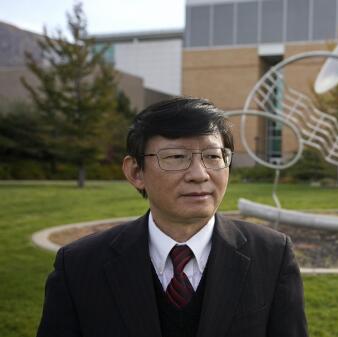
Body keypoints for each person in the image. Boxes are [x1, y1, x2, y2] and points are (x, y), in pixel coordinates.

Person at [37, 97, 309, 337]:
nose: (199, 174)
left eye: (213, 156)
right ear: (136, 172)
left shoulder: (272, 256)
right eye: (177, 156)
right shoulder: (80, 265)